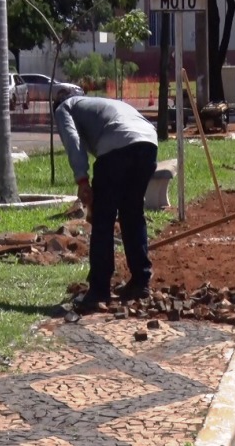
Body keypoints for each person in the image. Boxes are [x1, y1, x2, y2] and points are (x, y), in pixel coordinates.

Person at [53, 95, 159, 313]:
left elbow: (72, 140)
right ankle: (141, 282)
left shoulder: (64, 107)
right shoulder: (97, 104)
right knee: (132, 213)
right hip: (149, 141)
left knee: (103, 219)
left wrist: (82, 179)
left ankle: (99, 289)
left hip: (117, 145)